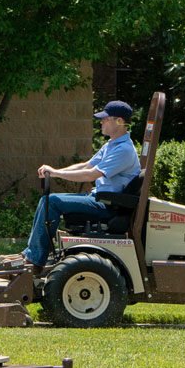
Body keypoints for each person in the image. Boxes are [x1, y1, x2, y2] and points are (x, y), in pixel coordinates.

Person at [9, 100, 141, 270]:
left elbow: (91, 174)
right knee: (48, 200)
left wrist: (56, 173)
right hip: (99, 198)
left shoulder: (124, 150)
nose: (101, 122)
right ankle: (34, 253)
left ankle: (35, 258)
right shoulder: (112, 145)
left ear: (120, 121)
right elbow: (87, 165)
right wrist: (55, 170)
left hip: (107, 206)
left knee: (53, 202)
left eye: (105, 119)